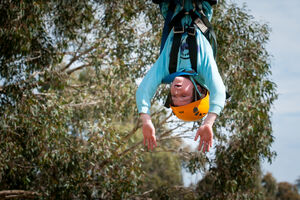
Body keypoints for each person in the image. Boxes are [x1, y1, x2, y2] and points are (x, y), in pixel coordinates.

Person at [136, 0, 225, 152]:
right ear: (199, 90)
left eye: (174, 98)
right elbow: (219, 92)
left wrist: (146, 120)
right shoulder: (203, 68)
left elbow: (143, 91)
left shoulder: (166, 69)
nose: (176, 92)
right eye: (183, 96)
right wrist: (208, 123)